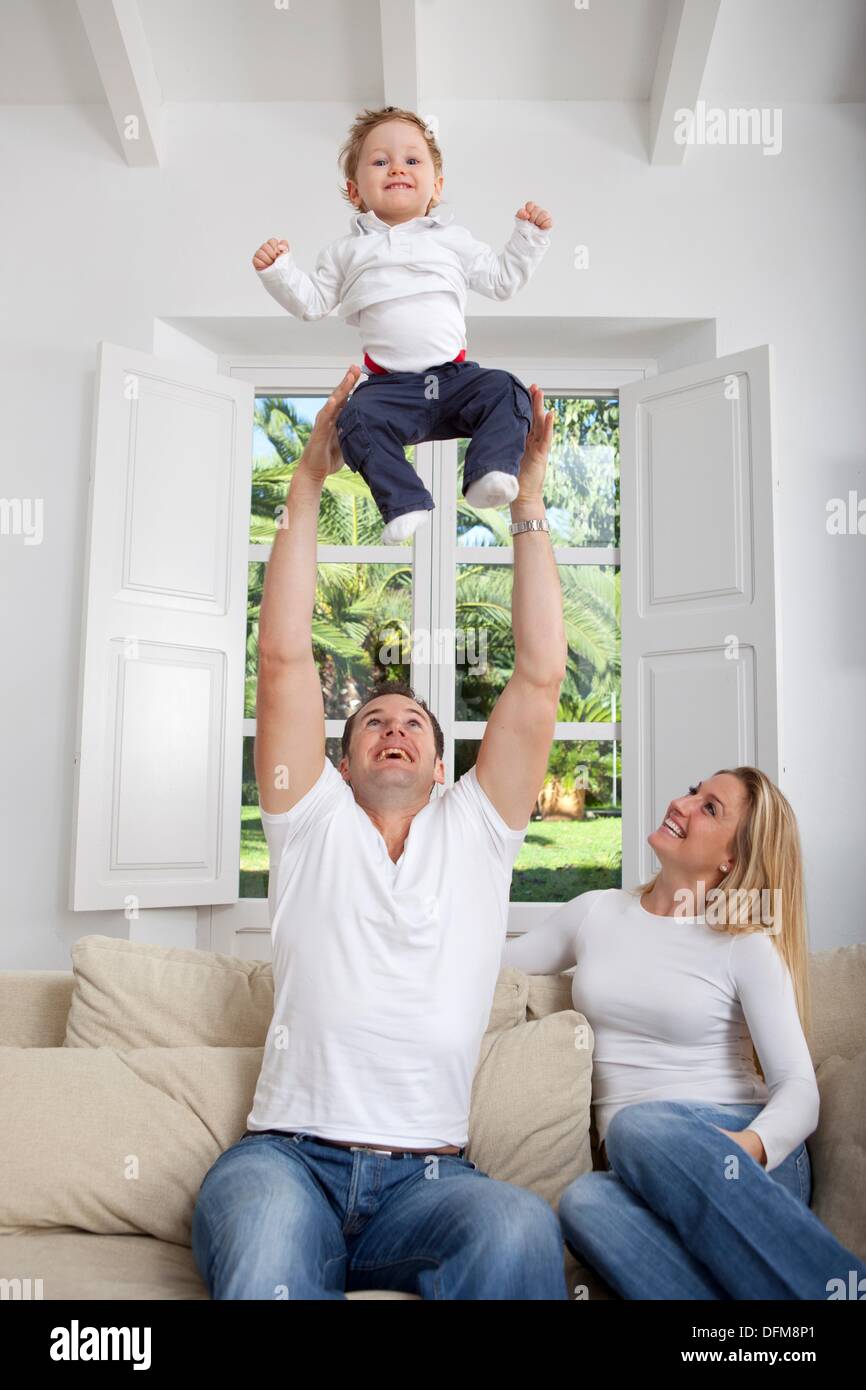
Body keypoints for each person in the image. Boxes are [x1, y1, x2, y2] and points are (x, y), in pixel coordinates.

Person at [191, 365, 570, 1300]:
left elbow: (538, 676)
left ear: (442, 768)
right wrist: (310, 482)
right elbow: (282, 658)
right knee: (271, 1249)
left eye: (415, 726)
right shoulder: (307, 818)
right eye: (373, 722)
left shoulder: (478, 830)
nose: (395, 728)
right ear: (343, 760)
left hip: (432, 1180)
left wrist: (526, 503)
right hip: (287, 1163)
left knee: (520, 1227)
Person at [503, 768, 866, 1299]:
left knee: (635, 1126)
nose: (683, 802)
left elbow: (798, 1087)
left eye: (710, 808)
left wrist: (745, 1147)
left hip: (745, 1157)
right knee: (584, 1201)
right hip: (644, 1176)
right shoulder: (596, 913)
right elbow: (491, 962)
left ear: (733, 860)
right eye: (695, 791)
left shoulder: (744, 943)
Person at [251, 105, 552, 543]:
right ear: (355, 191)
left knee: (508, 390)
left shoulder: (451, 239)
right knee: (353, 419)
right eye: (380, 161)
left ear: (437, 185)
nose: (397, 168)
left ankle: (489, 472)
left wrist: (527, 238)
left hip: (454, 380)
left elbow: (501, 281)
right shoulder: (343, 252)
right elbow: (313, 303)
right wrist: (280, 271)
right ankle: (404, 502)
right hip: (387, 389)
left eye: (412, 160)